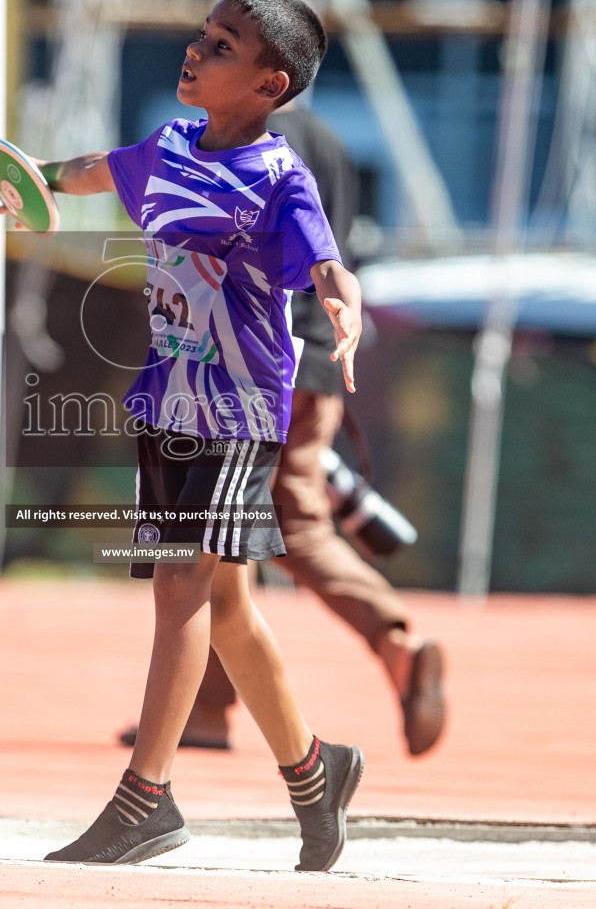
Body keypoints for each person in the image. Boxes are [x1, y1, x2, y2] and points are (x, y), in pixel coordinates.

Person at [0, 0, 365, 870]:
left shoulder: (282, 177)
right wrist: (35, 180)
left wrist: (344, 310)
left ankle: (143, 802)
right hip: (166, 403)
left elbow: (327, 263)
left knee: (180, 590)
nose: (196, 51)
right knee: (228, 610)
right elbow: (97, 170)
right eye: (203, 35)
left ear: (270, 85)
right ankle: (318, 774)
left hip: (239, 410)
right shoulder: (166, 149)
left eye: (223, 46)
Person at [120, 103, 448, 757]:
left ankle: (392, 641)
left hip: (254, 362)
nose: (201, 57)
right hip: (315, 360)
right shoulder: (328, 142)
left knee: (251, 529)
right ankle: (211, 710)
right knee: (228, 536)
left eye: (223, 43)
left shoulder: (251, 146)